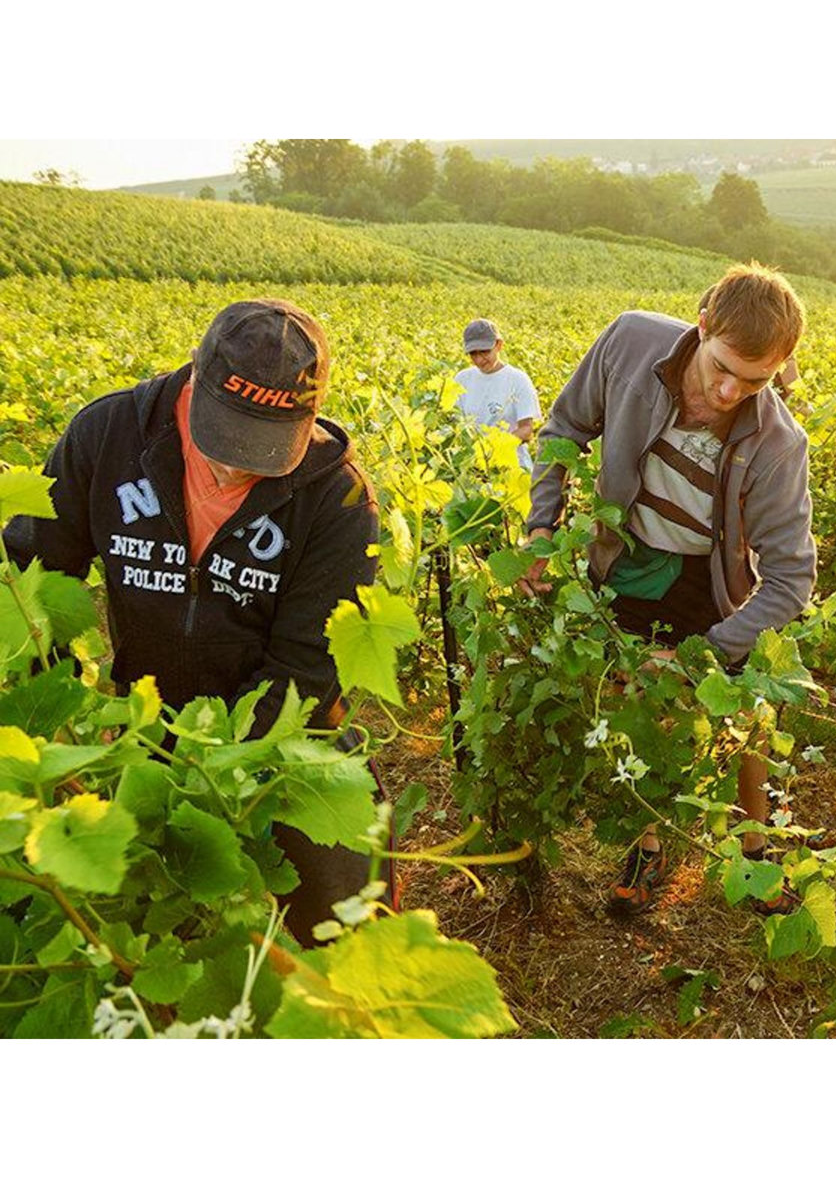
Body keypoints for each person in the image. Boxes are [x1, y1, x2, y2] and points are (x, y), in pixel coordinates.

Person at [2, 298, 380, 945]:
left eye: (265, 448)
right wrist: (58, 727)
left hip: (283, 744)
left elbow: (305, 673)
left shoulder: (339, 499)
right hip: (142, 722)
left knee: (333, 926)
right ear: (193, 381)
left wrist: (212, 781)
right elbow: (31, 584)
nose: (236, 465)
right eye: (226, 437)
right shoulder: (109, 437)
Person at [519, 263, 817, 914]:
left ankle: (758, 851)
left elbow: (792, 577)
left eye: (758, 379)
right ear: (703, 325)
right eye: (724, 367)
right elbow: (564, 430)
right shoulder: (629, 344)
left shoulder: (778, 443)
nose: (733, 389)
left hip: (711, 579)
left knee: (741, 717)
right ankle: (649, 846)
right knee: (636, 704)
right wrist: (541, 528)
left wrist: (700, 654)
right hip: (626, 557)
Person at [454, 318, 542, 472]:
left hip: (512, 466)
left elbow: (527, 430)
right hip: (473, 467)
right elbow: (454, 423)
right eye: (473, 354)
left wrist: (496, 447)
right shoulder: (462, 379)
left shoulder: (518, 380)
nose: (479, 360)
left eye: (485, 352)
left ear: (499, 345)